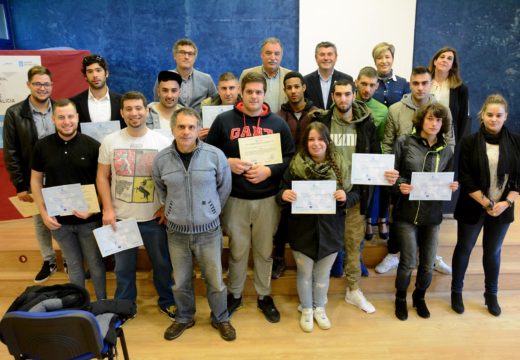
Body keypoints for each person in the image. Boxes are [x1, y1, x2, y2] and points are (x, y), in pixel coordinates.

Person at [206, 72, 295, 323]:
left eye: (258, 92)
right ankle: (234, 295)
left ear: (264, 94)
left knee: (265, 251)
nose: (254, 96)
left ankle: (264, 295)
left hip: (268, 199)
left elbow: (289, 157)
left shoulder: (277, 124)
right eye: (249, 92)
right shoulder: (224, 121)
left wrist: (270, 170)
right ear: (241, 93)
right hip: (235, 198)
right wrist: (227, 161)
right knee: (237, 250)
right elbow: (208, 154)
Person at [311, 79, 398, 313]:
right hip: (325, 195)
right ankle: (317, 294)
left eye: (347, 94)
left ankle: (353, 289)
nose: (343, 99)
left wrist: (386, 174)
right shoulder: (322, 122)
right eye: (338, 94)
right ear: (332, 97)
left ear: (354, 94)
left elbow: (373, 156)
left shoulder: (366, 123)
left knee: (353, 244)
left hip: (355, 195)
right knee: (323, 244)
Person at [153, 108, 235, 341]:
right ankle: (184, 317)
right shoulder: (161, 159)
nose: (186, 132)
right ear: (173, 129)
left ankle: (220, 317)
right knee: (180, 281)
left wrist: (211, 210)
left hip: (209, 231)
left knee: (215, 280)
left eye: (191, 127)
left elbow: (224, 186)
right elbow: (160, 188)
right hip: (176, 233)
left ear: (199, 129)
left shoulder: (215, 155)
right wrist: (171, 209)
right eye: (181, 127)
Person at [96, 91, 176, 319]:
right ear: (121, 113)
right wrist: (108, 209)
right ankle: (124, 306)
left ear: (147, 110)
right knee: (123, 269)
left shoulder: (162, 142)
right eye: (129, 109)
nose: (134, 113)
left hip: (154, 217)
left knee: (162, 264)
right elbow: (102, 177)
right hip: (121, 218)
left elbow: (172, 178)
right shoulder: (110, 141)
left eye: (138, 108)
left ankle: (167, 300)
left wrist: (166, 205)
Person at [377, 67, 454, 275]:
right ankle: (394, 254)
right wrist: (390, 171)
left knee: (430, 222)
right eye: (415, 83)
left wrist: (443, 168)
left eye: (424, 83)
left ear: (431, 84)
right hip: (403, 176)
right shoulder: (395, 109)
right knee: (398, 216)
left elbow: (450, 141)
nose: (420, 88)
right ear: (409, 84)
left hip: (432, 177)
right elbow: (387, 142)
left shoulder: (441, 110)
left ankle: (431, 257)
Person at [277, 122, 353, 332]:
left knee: (322, 274)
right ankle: (307, 309)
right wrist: (284, 195)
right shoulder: (295, 165)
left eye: (320, 139)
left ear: (328, 142)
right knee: (304, 273)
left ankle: (320, 307)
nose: (316, 143)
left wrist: (345, 196)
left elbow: (355, 194)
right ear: (305, 142)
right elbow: (280, 191)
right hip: (302, 231)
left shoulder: (342, 165)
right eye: (311, 139)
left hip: (330, 230)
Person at [30, 99, 106, 300]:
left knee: (95, 263)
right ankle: (79, 304)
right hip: (59, 222)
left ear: (78, 118)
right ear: (54, 119)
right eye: (61, 117)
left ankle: (101, 302)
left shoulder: (92, 146)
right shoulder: (42, 146)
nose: (66, 121)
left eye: (70, 116)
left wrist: (93, 208)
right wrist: (44, 213)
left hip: (89, 220)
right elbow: (36, 180)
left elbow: (104, 181)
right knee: (73, 265)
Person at [451, 94, 519, 317]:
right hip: (473, 205)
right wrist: (487, 202)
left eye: (499, 115)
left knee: (493, 252)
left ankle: (491, 294)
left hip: (503, 207)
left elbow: (518, 178)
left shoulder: (516, 142)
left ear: (505, 116)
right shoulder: (469, 142)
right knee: (464, 248)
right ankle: (456, 291)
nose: (494, 119)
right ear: (482, 115)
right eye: (489, 115)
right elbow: (465, 176)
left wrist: (505, 203)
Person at [392, 103, 458, 320]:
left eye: (438, 120)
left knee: (428, 263)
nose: (434, 124)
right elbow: (392, 176)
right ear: (421, 120)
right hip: (406, 212)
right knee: (408, 262)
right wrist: (400, 184)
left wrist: (451, 186)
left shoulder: (447, 150)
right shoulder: (404, 142)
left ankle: (419, 297)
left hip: (432, 215)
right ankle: (400, 299)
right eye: (430, 119)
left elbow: (447, 179)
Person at [3, 65, 63, 283]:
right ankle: (49, 260)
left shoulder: (60, 108)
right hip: (33, 178)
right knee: (40, 221)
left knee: (64, 218)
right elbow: (11, 152)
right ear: (28, 85)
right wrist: (20, 185)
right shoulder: (15, 113)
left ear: (52, 86)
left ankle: (66, 256)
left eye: (46, 84)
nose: (42, 88)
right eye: (37, 83)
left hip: (60, 177)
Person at [271, 71, 319, 279]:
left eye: (296, 87)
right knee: (282, 219)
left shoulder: (317, 114)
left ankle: (309, 263)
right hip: (285, 174)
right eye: (289, 87)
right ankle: (279, 259)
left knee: (308, 221)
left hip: (310, 175)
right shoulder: (277, 117)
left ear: (304, 88)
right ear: (285, 90)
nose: (293, 91)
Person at [355, 66, 390, 243]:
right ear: (356, 83)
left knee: (376, 187)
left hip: (372, 159)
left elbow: (384, 138)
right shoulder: (343, 102)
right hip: (351, 158)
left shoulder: (382, 111)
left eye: (371, 85)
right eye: (363, 84)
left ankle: (372, 220)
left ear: (377, 87)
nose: (367, 89)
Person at [154, 39, 217, 112]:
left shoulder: (206, 79)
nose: (186, 57)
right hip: (171, 122)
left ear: (195, 57)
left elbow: (215, 103)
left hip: (199, 122)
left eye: (190, 54)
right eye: (182, 52)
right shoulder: (164, 78)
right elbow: (157, 105)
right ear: (174, 55)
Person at [71, 54, 125, 128]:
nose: (95, 75)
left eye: (98, 70)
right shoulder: (74, 103)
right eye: (90, 71)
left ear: (106, 73)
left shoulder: (122, 101)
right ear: (85, 76)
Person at [240, 37, 291, 113]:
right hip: (254, 122)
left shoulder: (290, 76)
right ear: (261, 55)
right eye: (268, 53)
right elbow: (239, 102)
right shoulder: (247, 74)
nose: (273, 58)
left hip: (281, 122)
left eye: (277, 54)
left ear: (281, 56)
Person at [303, 41, 353, 110]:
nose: (326, 58)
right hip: (313, 120)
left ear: (336, 57)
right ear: (316, 57)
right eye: (322, 54)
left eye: (329, 54)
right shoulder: (305, 81)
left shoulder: (347, 80)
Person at [199, 72, 241, 139]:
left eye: (231, 88)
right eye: (224, 88)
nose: (228, 93)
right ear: (218, 90)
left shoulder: (247, 108)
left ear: (238, 89)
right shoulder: (206, 107)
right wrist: (199, 137)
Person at [371, 42, 410, 107]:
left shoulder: (403, 83)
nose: (384, 61)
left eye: (387, 57)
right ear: (375, 61)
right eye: (379, 58)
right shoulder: (369, 83)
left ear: (392, 59)